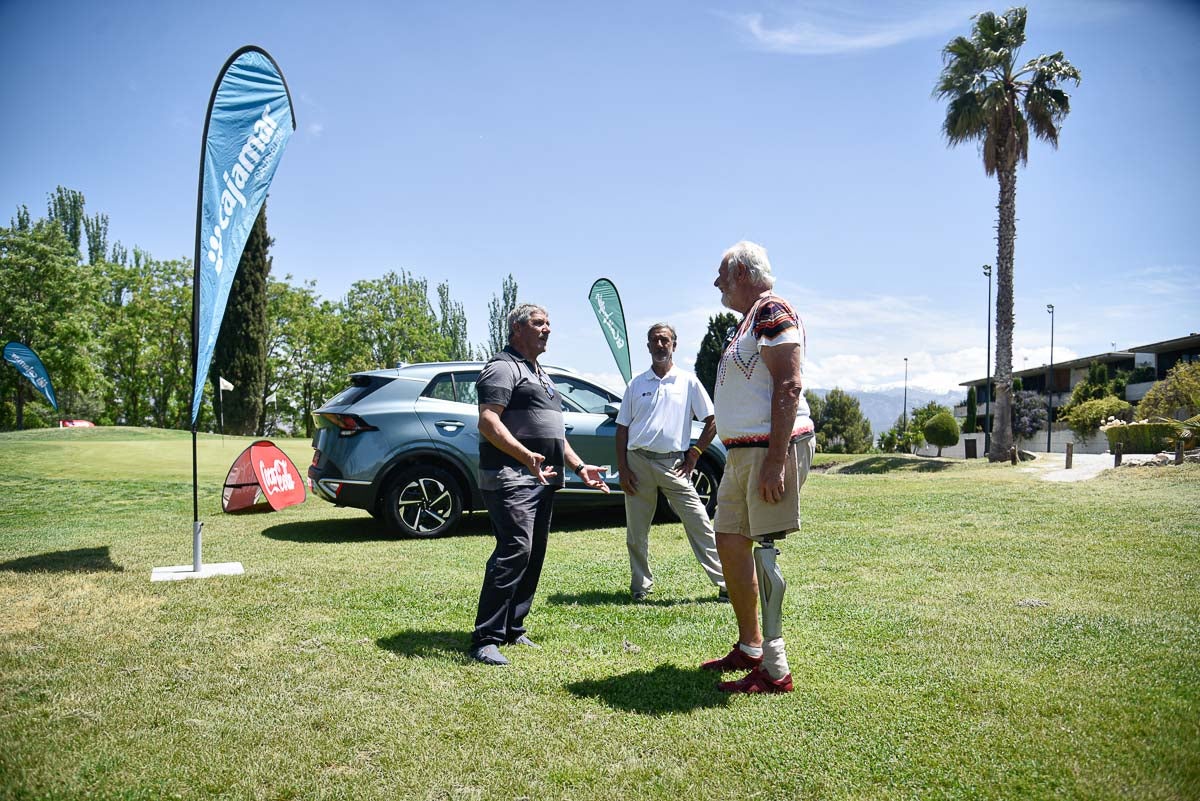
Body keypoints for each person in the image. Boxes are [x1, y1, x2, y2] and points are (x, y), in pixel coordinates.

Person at [700, 241, 816, 694]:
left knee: (764, 550)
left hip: (771, 449)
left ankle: (776, 666)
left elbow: (788, 385)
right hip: (742, 452)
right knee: (729, 539)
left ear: (744, 273)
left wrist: (774, 462)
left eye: (722, 275)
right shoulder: (748, 321)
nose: (716, 284)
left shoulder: (772, 310)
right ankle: (751, 646)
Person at [469, 303, 610, 666]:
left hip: (542, 478)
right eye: (538, 323)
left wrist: (579, 467)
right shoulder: (502, 367)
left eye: (549, 323)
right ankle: (486, 638)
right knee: (515, 548)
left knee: (533, 553)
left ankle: (513, 628)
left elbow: (552, 430)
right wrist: (524, 455)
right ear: (517, 329)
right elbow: (488, 421)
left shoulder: (538, 371)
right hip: (511, 476)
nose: (547, 329)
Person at [615, 323, 726, 601]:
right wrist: (624, 468)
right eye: (654, 340)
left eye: (665, 340)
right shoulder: (636, 384)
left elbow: (712, 420)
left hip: (674, 465)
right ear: (648, 346)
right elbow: (622, 429)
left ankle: (726, 583)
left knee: (699, 521)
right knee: (636, 531)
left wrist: (695, 453)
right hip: (637, 462)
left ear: (674, 345)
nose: (660, 345)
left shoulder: (687, 381)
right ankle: (640, 587)